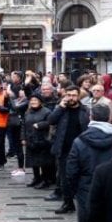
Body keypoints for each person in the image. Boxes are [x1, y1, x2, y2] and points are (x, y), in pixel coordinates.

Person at [46, 85, 89, 213]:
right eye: (68, 95)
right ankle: (68, 203)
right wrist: (60, 107)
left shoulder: (85, 110)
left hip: (80, 149)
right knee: (64, 178)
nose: (71, 98)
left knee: (81, 178)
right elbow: (51, 121)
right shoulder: (61, 109)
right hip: (63, 149)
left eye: (74, 95)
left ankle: (83, 204)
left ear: (78, 96)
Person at [22, 94, 54, 188]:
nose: (33, 102)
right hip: (30, 139)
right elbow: (23, 125)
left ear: (40, 101)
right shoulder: (27, 112)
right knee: (33, 161)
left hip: (42, 140)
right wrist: (23, 138)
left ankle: (46, 180)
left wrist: (40, 125)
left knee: (43, 162)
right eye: (32, 100)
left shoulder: (46, 112)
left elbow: (51, 122)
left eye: (35, 100)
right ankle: (36, 178)